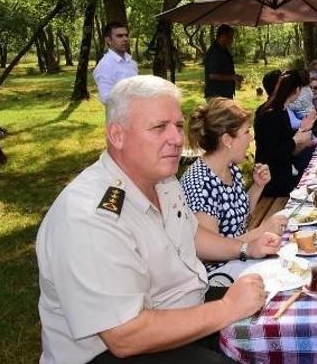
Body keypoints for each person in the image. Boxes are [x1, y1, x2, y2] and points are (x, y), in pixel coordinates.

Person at [35, 75, 282, 363]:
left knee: (274, 320)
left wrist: (246, 249)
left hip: (180, 308)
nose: (177, 139)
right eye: (158, 127)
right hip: (112, 352)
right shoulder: (88, 217)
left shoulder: (162, 181)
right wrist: (227, 307)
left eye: (178, 125)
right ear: (117, 135)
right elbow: (125, 335)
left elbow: (192, 235)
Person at [181, 98, 289, 276]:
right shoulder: (200, 184)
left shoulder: (229, 168)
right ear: (227, 140)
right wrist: (261, 231)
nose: (251, 137)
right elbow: (211, 252)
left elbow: (239, 218)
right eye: (246, 131)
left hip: (238, 261)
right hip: (216, 277)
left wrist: (257, 186)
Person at [254, 71, 315, 198]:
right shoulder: (271, 113)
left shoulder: (281, 110)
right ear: (297, 90)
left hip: (283, 175)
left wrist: (303, 130)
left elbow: (287, 148)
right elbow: (273, 153)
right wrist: (296, 139)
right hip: (272, 182)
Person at [93, 22, 138, 104]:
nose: (125, 39)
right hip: (119, 115)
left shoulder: (131, 63)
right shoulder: (105, 66)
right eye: (119, 36)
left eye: (126, 35)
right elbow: (106, 98)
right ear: (108, 40)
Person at [203, 24, 244, 99]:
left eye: (232, 37)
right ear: (222, 35)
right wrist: (233, 77)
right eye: (229, 37)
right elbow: (212, 75)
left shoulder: (224, 50)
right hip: (216, 95)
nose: (231, 40)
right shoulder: (214, 52)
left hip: (225, 94)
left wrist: (234, 78)